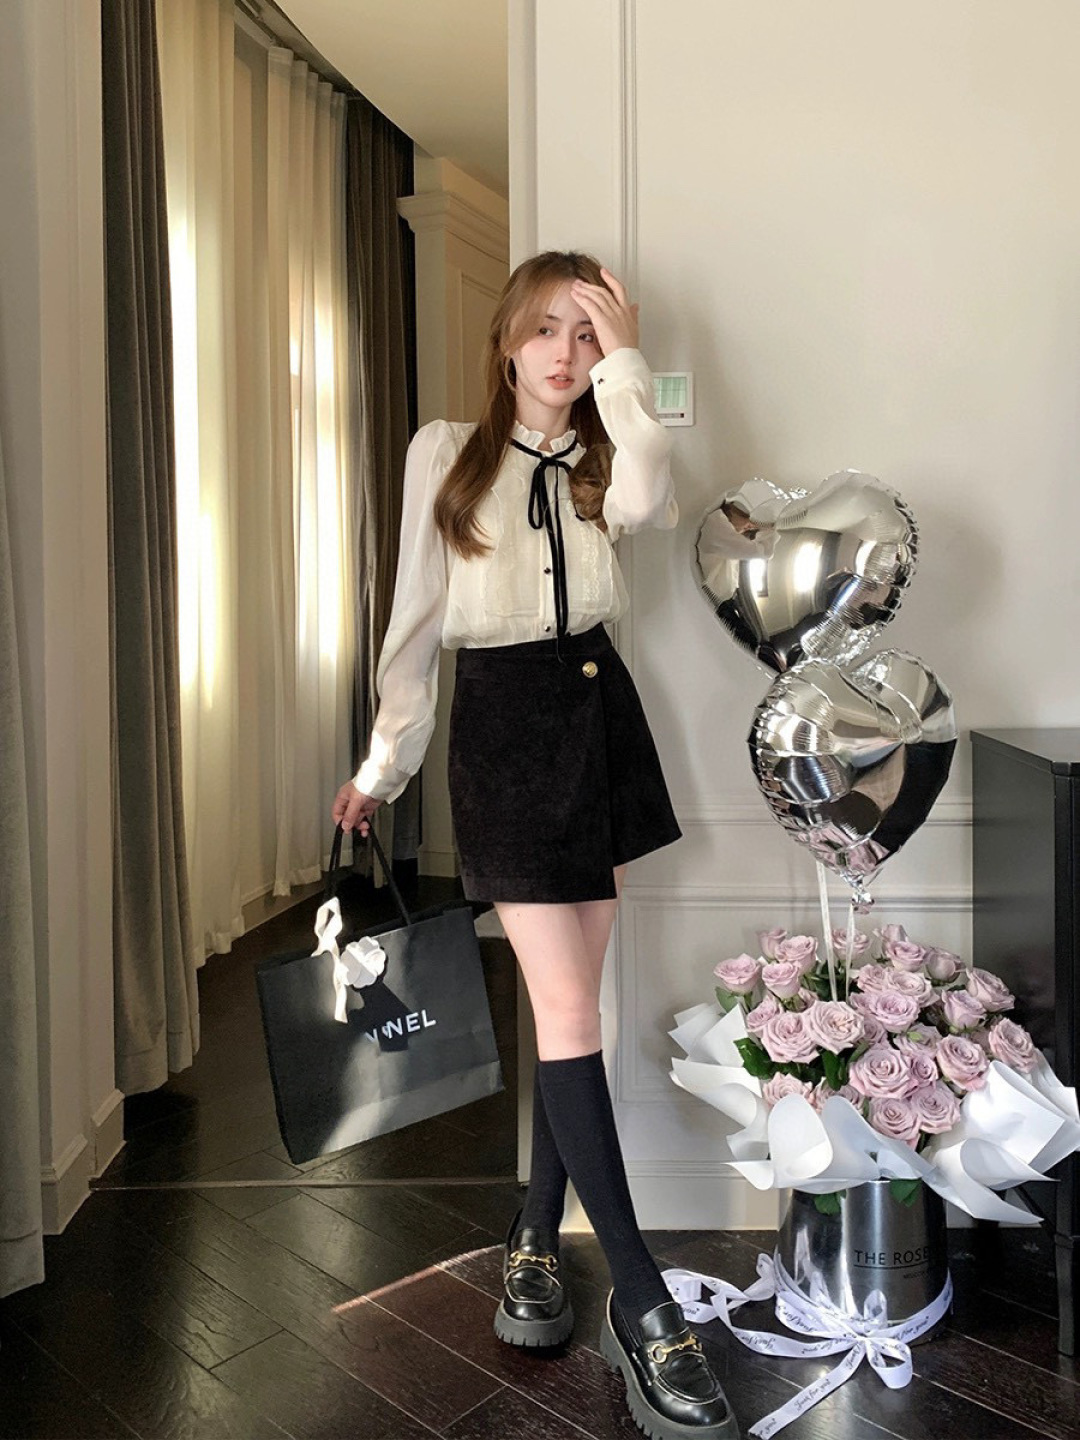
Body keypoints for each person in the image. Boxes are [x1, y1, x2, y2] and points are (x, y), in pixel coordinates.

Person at [332, 251, 738, 1440]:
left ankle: (532, 1241)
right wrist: (384, 764)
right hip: (503, 729)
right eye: (545, 329)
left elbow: (653, 494)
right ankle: (644, 1305)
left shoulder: (616, 453)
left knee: (576, 1013)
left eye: (586, 332)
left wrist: (631, 361)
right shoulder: (445, 452)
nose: (563, 353)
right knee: (565, 1011)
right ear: (506, 340)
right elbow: (415, 619)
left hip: (599, 719)